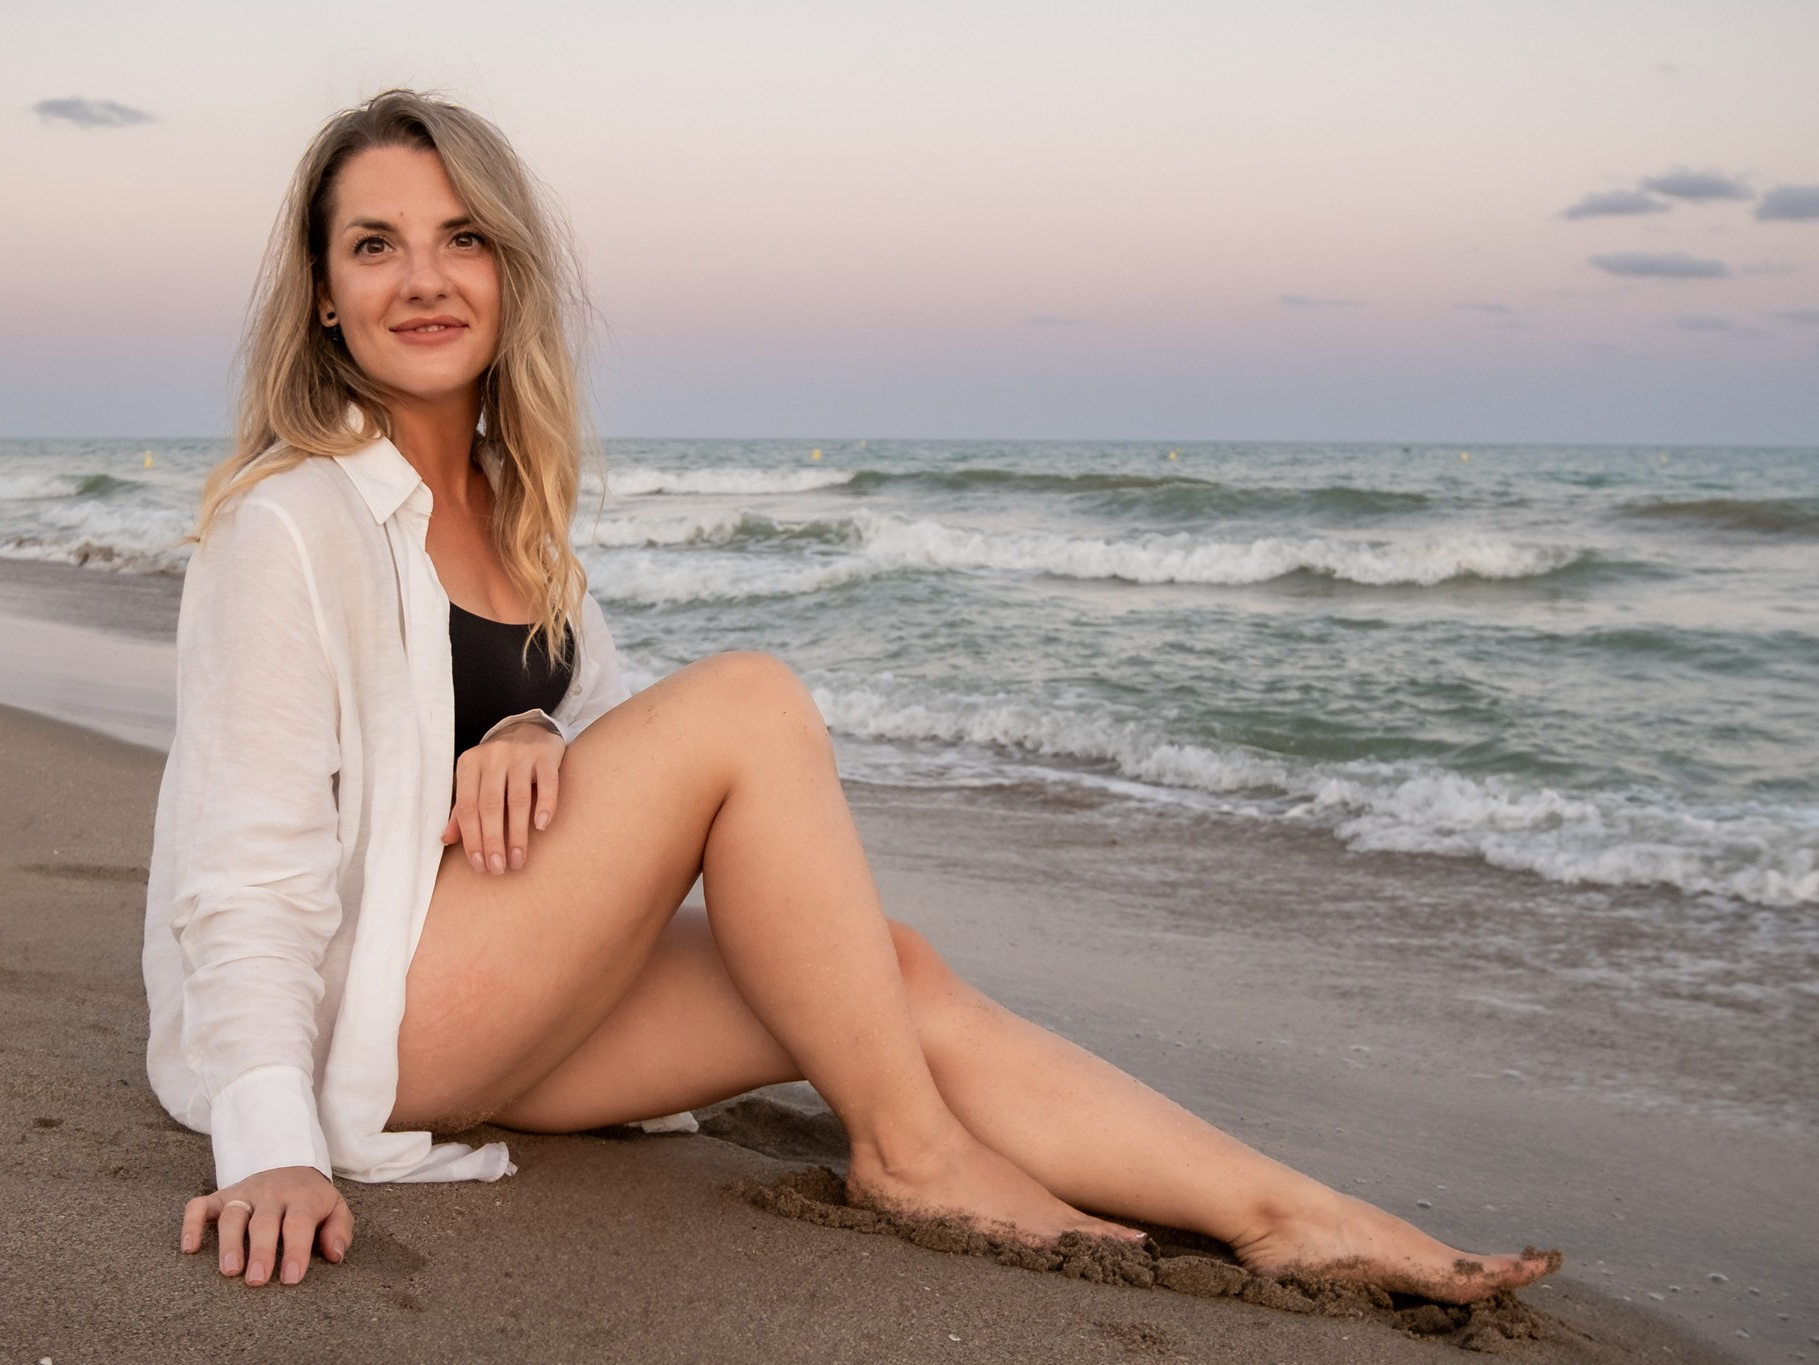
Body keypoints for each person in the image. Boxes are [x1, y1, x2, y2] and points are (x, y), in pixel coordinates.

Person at [146, 87, 1558, 1302]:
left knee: (885, 971)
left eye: (463, 238)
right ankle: (914, 1155)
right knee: (750, 704)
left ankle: (1291, 1213)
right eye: (376, 244)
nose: (425, 277)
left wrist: (532, 722)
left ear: (509, 271)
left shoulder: (522, 518)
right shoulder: (290, 523)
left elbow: (592, 738)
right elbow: (243, 872)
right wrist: (269, 1144)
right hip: (370, 1026)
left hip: (505, 996)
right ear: (322, 292)